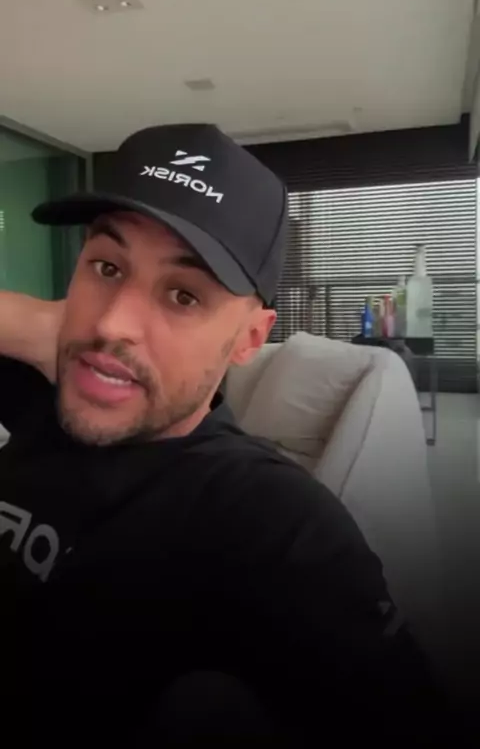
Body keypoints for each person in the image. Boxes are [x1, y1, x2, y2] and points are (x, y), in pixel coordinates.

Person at [0, 124, 452, 747]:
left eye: (184, 296)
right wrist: (42, 325)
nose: (110, 323)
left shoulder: (272, 524)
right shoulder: (42, 399)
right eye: (106, 266)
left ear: (249, 338)